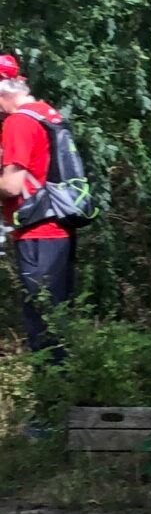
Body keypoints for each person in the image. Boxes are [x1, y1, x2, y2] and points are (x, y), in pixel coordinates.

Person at [0, 54, 78, 353]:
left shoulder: (18, 122)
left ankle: (53, 395)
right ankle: (65, 388)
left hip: (37, 231)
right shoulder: (47, 113)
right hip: (59, 224)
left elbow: (11, 185)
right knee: (57, 316)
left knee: (42, 321)